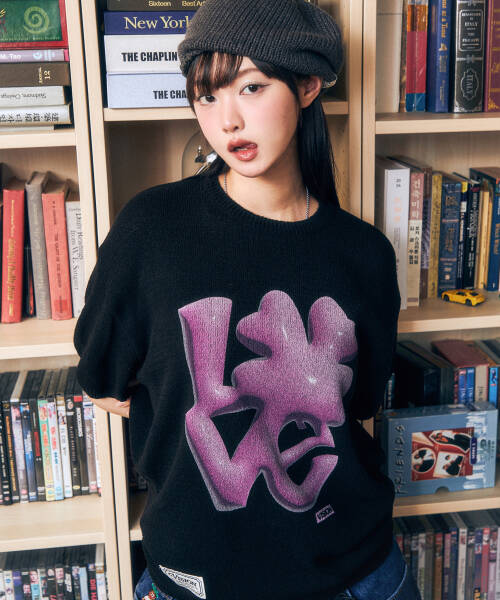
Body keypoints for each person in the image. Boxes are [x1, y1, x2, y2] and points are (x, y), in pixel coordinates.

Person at [73, 0, 422, 598]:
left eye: (252, 87)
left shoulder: (364, 253)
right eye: (207, 96)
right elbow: (100, 380)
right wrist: (188, 401)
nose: (227, 120)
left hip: (357, 572)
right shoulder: (151, 230)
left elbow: (356, 404)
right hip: (198, 574)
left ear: (307, 85)